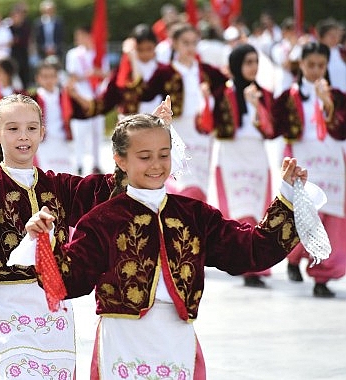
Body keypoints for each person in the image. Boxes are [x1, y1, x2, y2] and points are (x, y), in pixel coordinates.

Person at [23, 113, 309, 379]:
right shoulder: (103, 220)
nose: (157, 165)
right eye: (144, 156)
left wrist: (287, 197)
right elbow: (69, 281)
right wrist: (46, 243)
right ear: (121, 160)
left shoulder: (194, 215)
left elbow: (249, 250)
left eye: (163, 155)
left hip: (177, 340)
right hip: (122, 341)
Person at [0, 93, 116, 379]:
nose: (23, 136)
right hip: (6, 307)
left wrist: (149, 134)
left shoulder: (60, 186)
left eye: (31, 128)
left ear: (42, 132)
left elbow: (110, 189)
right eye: (13, 128)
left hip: (53, 309)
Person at [273, 42, 346, 297]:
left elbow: (341, 129)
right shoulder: (288, 97)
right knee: (302, 214)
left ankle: (322, 276)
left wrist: (329, 105)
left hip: (332, 163)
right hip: (302, 161)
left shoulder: (337, 96)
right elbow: (277, 127)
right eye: (310, 65)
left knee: (332, 218)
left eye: (321, 65)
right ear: (301, 64)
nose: (315, 70)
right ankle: (293, 258)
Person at [208, 44, 277, 288]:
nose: (253, 67)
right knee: (239, 211)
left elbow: (270, 130)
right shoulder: (223, 93)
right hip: (232, 157)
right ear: (237, 65)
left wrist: (256, 105)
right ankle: (243, 263)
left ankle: (257, 265)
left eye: (255, 62)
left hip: (257, 157)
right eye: (248, 62)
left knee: (258, 212)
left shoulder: (264, 94)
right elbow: (221, 129)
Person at [139, 23, 227, 202]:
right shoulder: (165, 72)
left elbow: (228, 87)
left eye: (194, 43)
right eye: (185, 43)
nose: (190, 48)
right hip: (177, 131)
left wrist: (211, 97)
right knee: (183, 182)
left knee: (201, 183)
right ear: (175, 44)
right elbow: (144, 93)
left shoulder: (206, 71)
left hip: (202, 132)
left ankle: (195, 225)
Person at [66, 25, 110, 175]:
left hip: (96, 97)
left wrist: (96, 73)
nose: (78, 39)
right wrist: (87, 75)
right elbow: (72, 75)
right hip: (80, 97)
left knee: (97, 133)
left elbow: (106, 74)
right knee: (80, 133)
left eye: (81, 35)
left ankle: (96, 163)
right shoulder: (73, 54)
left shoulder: (99, 54)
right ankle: (79, 164)